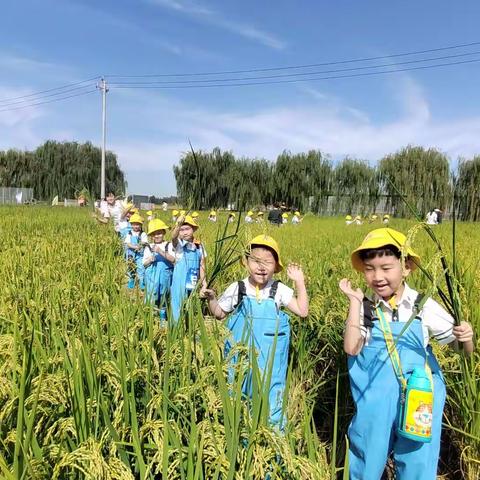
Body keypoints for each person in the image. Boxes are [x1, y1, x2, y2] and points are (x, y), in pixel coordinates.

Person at [339, 227, 474, 479]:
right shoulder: (366, 308)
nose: (377, 276)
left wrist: (467, 338)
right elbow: (351, 347)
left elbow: (462, 351)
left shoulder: (422, 306)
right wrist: (354, 302)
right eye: (369, 269)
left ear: (407, 267)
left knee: (417, 461)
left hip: (418, 397)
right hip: (376, 401)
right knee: (367, 453)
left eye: (386, 268)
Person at [201, 235, 308, 429]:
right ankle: (238, 438)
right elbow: (219, 314)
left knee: (272, 399)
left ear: (276, 266)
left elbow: (302, 311)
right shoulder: (238, 288)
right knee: (237, 396)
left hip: (270, 362)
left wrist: (299, 282)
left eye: (268, 262)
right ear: (246, 262)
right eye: (256, 261)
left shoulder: (279, 289)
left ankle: (275, 444)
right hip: (240, 359)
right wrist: (212, 298)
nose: (261, 266)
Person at [170, 215, 207, 323]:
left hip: (193, 280)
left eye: (187, 229)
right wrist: (178, 225)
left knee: (191, 304)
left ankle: (189, 327)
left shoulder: (199, 246)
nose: (184, 232)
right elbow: (173, 238)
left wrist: (204, 282)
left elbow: (202, 265)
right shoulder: (179, 245)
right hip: (179, 281)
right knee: (177, 304)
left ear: (193, 229)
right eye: (182, 230)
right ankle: (175, 329)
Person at [143, 219, 175, 318]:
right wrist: (149, 260)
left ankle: (163, 316)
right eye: (154, 234)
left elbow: (173, 260)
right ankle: (151, 316)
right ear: (151, 236)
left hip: (165, 275)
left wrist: (160, 252)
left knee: (164, 295)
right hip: (151, 276)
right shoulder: (148, 247)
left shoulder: (168, 245)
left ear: (164, 233)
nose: (156, 236)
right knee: (151, 294)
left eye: (159, 233)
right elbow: (144, 264)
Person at [124, 213, 148, 290]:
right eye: (134, 224)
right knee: (130, 267)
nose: (136, 226)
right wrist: (135, 246)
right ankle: (131, 279)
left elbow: (145, 242)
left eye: (138, 224)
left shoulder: (143, 234)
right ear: (131, 224)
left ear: (141, 225)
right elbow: (128, 243)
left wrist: (141, 245)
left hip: (140, 255)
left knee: (141, 268)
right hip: (131, 254)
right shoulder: (129, 233)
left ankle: (142, 282)